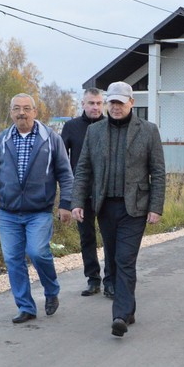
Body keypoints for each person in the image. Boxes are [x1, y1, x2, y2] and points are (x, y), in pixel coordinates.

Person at [71, 81, 166, 338]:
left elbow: (158, 171)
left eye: (120, 103)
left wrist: (156, 207)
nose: (115, 107)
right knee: (113, 257)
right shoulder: (95, 132)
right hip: (104, 206)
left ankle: (120, 315)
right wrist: (77, 201)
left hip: (134, 207)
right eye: (112, 102)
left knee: (125, 259)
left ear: (131, 103)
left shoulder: (148, 130)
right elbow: (83, 169)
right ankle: (129, 308)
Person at [0, 93, 74, 324]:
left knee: (38, 252)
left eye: (26, 108)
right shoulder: (1, 141)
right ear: (11, 112)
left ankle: (51, 290)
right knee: (13, 259)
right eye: (17, 108)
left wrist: (66, 205)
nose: (22, 113)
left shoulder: (50, 139)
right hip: (8, 213)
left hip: (39, 211)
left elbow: (65, 174)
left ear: (35, 112)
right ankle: (26, 306)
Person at [60, 87, 112, 297]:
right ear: (83, 104)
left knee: (110, 238)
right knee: (87, 237)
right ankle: (93, 279)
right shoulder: (71, 127)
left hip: (108, 192)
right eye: (91, 103)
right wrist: (67, 198)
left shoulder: (111, 125)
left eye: (99, 103)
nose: (95, 107)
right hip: (82, 193)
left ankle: (111, 280)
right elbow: (61, 162)